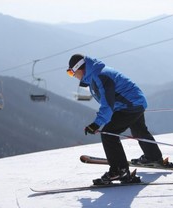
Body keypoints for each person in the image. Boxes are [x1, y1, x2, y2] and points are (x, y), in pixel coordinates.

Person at [67, 54, 163, 184]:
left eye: (71, 73)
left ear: (79, 68)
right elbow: (109, 102)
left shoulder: (100, 76)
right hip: (135, 102)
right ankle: (153, 157)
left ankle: (119, 170)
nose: (73, 76)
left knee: (109, 134)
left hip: (130, 105)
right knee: (139, 130)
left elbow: (107, 103)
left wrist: (96, 124)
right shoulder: (95, 74)